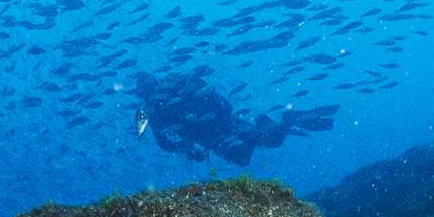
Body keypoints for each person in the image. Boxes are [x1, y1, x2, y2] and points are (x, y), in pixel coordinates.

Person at [133, 69, 337, 167]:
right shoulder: (165, 100)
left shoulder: (155, 111)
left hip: (217, 133)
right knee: (253, 148)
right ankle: (278, 122)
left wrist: (186, 147)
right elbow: (164, 143)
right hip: (223, 122)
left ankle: (288, 119)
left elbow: (164, 143)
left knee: (260, 144)